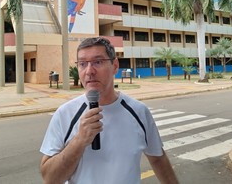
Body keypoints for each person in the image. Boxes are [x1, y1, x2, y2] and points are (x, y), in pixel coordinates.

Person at [40, 37, 178, 184]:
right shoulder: (64, 114)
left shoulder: (138, 112)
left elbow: (158, 159)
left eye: (97, 62)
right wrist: (79, 140)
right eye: (82, 64)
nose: (89, 71)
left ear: (115, 65)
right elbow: (50, 179)